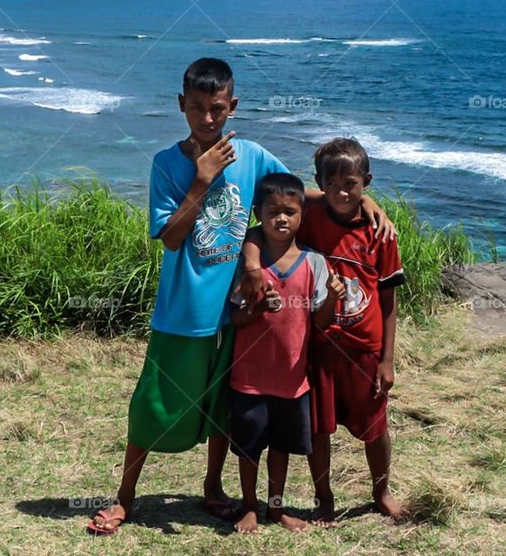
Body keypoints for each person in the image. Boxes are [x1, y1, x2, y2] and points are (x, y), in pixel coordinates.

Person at [88, 61, 393, 533]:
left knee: (222, 408)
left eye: (216, 109)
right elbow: (170, 238)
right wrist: (203, 178)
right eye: (196, 108)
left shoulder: (250, 155)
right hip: (184, 313)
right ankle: (125, 497)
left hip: (237, 314)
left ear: (232, 106)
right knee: (153, 403)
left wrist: (359, 200)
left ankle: (213, 487)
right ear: (180, 105)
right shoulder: (166, 164)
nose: (207, 120)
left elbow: (294, 194)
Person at [228, 173, 345, 534]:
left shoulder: (314, 263)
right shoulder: (250, 264)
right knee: (249, 449)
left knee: (281, 448)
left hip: (293, 380)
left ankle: (275, 508)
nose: (282, 218)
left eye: (290, 212)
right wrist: (259, 310)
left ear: (301, 216)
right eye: (273, 211)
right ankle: (249, 505)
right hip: (249, 377)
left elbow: (320, 321)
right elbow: (235, 316)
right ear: (257, 213)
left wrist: (334, 296)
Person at [298, 137, 407, 524]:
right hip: (321, 346)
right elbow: (282, 196)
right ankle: (323, 496)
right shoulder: (309, 216)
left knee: (375, 426)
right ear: (319, 183)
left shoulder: (380, 234)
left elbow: (389, 299)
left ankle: (381, 491)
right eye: (333, 184)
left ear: (367, 182)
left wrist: (387, 359)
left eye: (352, 185)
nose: (342, 192)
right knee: (319, 429)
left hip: (365, 349)